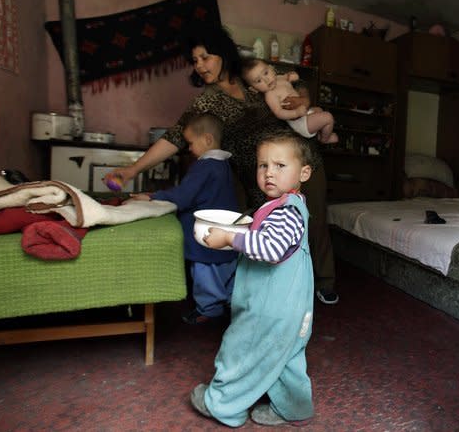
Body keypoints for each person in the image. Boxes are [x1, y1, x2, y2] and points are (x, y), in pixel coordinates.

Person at [104, 25, 339, 305]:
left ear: (223, 54)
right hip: (258, 173)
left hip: (296, 159)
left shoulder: (253, 75)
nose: (200, 65)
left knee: (313, 220)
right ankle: (276, 291)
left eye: (205, 57)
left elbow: (294, 86)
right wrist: (133, 169)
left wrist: (302, 99)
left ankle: (324, 280)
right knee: (268, 229)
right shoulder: (206, 101)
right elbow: (175, 137)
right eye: (195, 61)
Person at [189, 131, 316, 427]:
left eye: (280, 166)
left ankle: (222, 405)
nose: (269, 173)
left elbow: (270, 249)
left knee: (240, 350)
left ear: (304, 172)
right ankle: (293, 407)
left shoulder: (286, 213)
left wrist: (230, 237)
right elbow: (265, 238)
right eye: (263, 165)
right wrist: (240, 234)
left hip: (269, 309)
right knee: (286, 357)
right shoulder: (286, 205)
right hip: (292, 309)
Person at [131, 112, 239, 324]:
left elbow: (184, 196)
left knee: (205, 274)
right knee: (226, 271)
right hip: (225, 231)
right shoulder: (225, 165)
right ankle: (230, 304)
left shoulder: (204, 166)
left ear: (207, 139)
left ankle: (208, 310)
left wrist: (153, 197)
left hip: (205, 236)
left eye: (190, 143)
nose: (189, 149)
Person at [242, 57, 339, 144]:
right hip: (299, 123)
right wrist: (296, 113)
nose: (266, 80)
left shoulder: (279, 78)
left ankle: (320, 134)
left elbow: (289, 77)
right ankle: (325, 139)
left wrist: (292, 76)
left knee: (319, 110)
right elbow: (279, 112)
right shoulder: (270, 95)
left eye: (266, 73)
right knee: (328, 117)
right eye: (259, 81)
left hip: (304, 114)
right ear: (254, 89)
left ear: (271, 68)